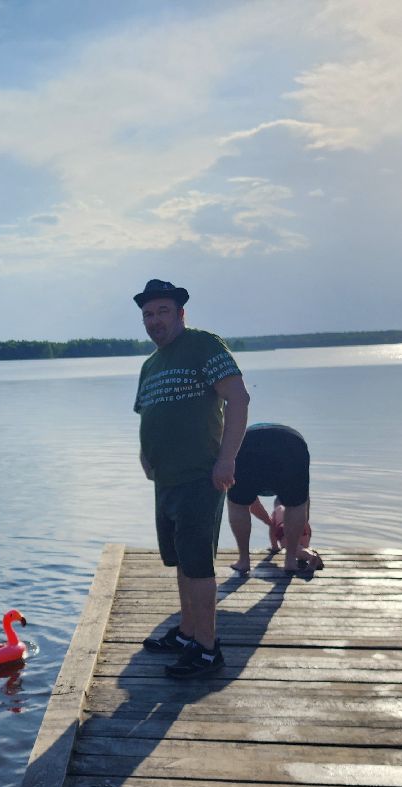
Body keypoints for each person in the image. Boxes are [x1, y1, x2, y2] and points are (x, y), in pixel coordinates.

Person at [133, 278, 249, 678]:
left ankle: (206, 648)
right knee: (182, 559)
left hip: (201, 475)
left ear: (181, 313)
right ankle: (186, 633)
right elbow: (149, 414)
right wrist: (145, 454)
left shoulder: (203, 345)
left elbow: (238, 398)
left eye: (163, 311)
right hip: (165, 480)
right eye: (148, 314)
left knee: (199, 564)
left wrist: (226, 460)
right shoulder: (150, 364)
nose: (155, 320)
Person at [226, 422, 325, 578]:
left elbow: (246, 502)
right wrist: (303, 524)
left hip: (246, 443)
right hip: (292, 443)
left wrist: (268, 522)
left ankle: (244, 560)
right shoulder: (284, 494)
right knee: (296, 503)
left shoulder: (252, 485)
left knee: (237, 503)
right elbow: (301, 501)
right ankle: (291, 559)